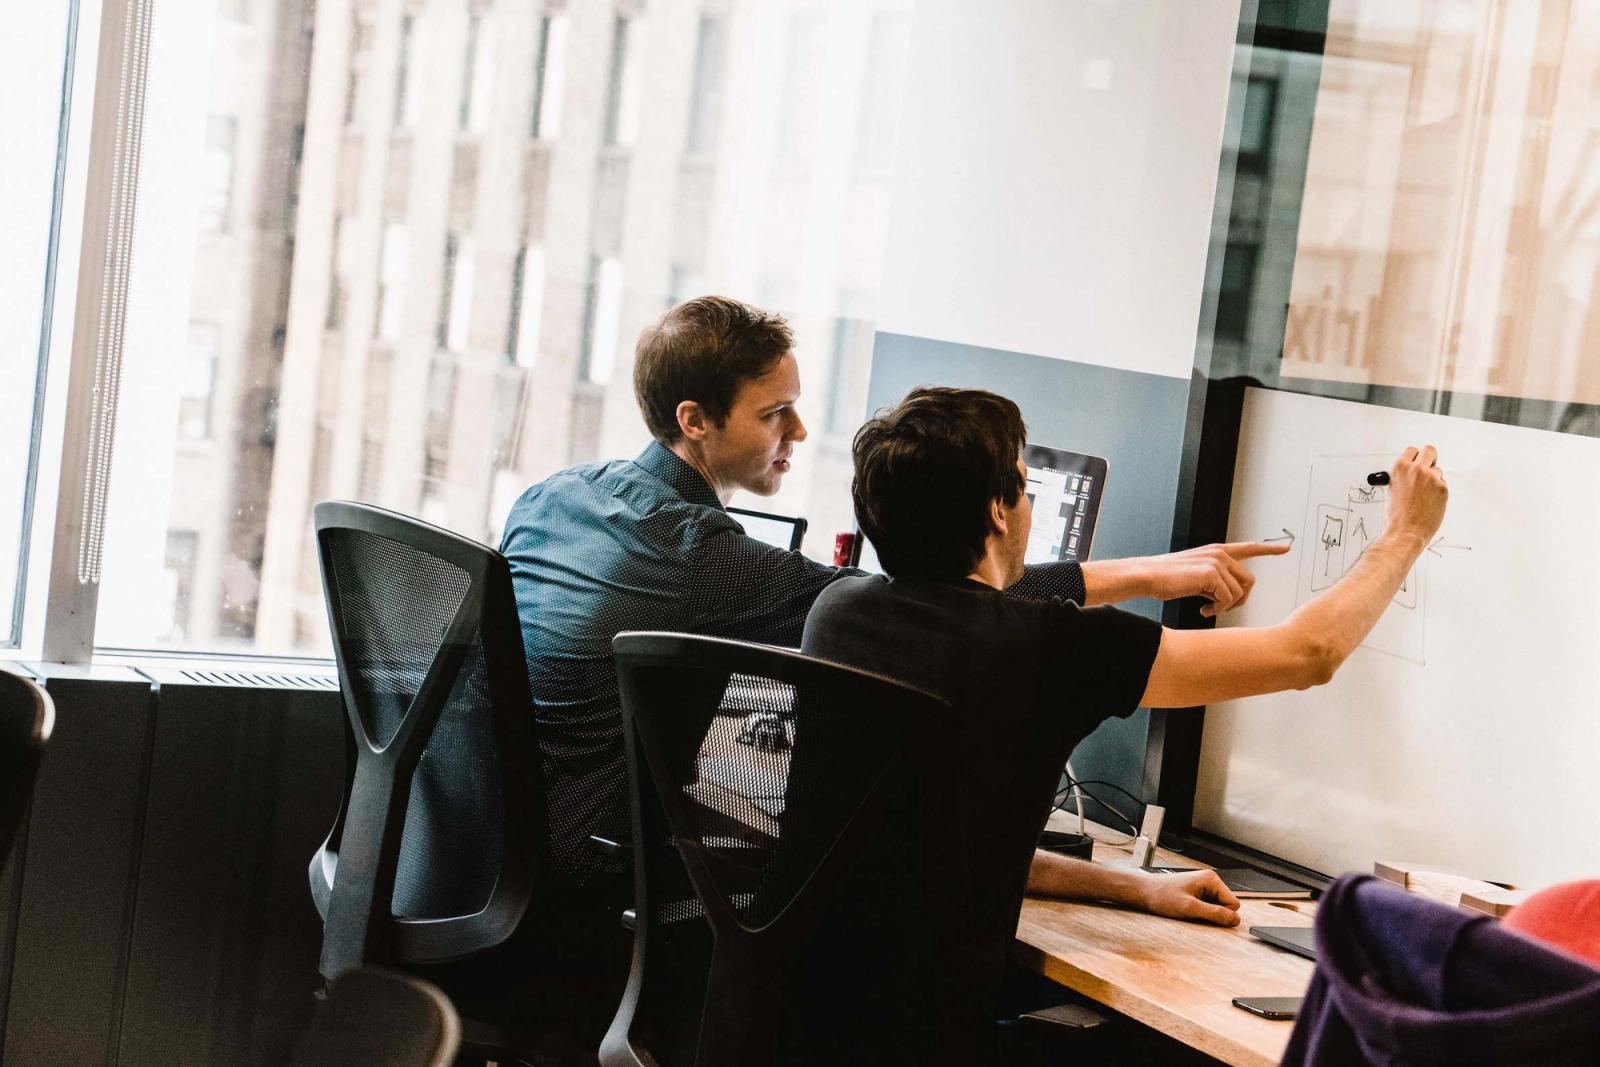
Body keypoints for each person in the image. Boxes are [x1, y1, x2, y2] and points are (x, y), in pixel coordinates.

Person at [499, 297, 1287, 906]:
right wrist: (1154, 574)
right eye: (774, 411)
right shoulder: (701, 554)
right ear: (694, 421)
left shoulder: (552, 494)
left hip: (493, 843)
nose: (800, 430)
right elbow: (933, 605)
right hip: (591, 867)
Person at [800, 385, 1449, 1033]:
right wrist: (1407, 531)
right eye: (1024, 488)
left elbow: (946, 849)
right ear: (999, 511)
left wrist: (1142, 888)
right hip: (925, 1029)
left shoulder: (839, 612)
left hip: (803, 1015)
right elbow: (1308, 652)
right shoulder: (1047, 648)